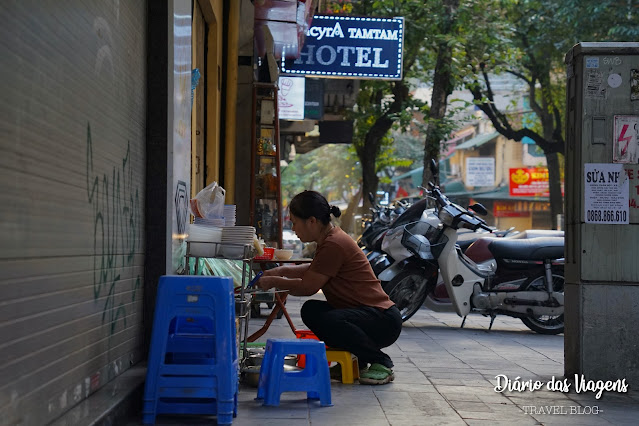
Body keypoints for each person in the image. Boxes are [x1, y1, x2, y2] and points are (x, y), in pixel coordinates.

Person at [256, 190, 402, 385]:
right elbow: (317, 268)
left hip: (383, 320)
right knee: (312, 310)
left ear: (312, 221)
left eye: (295, 222)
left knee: (331, 319)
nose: (293, 228)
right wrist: (282, 270)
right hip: (367, 315)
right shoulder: (329, 239)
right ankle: (357, 360)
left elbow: (308, 287)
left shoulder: (334, 243)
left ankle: (380, 361)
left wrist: (275, 281)